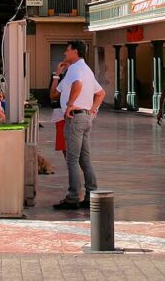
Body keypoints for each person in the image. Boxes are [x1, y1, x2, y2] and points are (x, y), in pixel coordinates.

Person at [54, 40, 105, 210]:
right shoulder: (87, 69)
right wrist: (91, 110)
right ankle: (91, 194)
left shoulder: (75, 68)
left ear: (75, 52)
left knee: (72, 159)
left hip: (75, 118)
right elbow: (101, 93)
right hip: (84, 118)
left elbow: (78, 85)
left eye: (67, 50)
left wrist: (70, 103)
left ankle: (73, 196)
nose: (64, 53)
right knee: (85, 159)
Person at [49, 62, 70, 155]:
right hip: (60, 113)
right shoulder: (60, 77)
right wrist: (57, 75)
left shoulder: (79, 75)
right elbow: (52, 95)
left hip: (73, 113)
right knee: (63, 143)